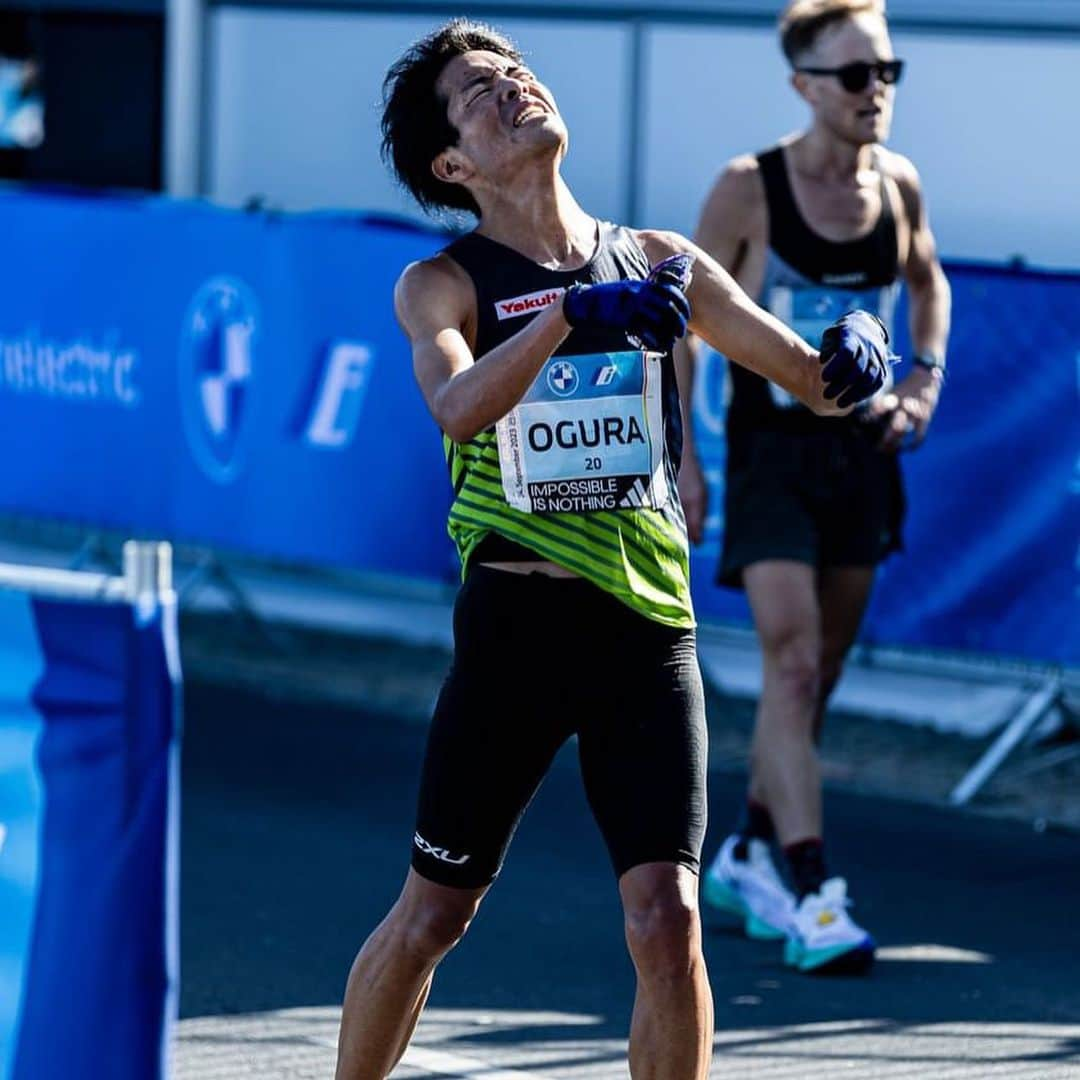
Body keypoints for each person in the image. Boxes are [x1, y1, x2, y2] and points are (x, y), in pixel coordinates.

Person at [334, 19, 894, 1079]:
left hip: (644, 628)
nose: (512, 90)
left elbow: (810, 381)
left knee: (666, 919)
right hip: (516, 629)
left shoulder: (660, 262)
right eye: (477, 92)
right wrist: (567, 316)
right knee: (434, 916)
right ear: (452, 164)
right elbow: (457, 407)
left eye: (515, 72)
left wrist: (857, 354)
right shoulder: (442, 283)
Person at [676, 0, 951, 974]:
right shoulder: (749, 188)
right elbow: (684, 320)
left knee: (820, 675)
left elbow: (928, 282)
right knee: (790, 666)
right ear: (804, 85)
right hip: (770, 460)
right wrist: (686, 455)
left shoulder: (899, 184)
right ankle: (812, 888)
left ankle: (746, 852)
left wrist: (921, 386)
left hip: (862, 462)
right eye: (854, 75)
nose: (875, 90)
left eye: (886, 71)